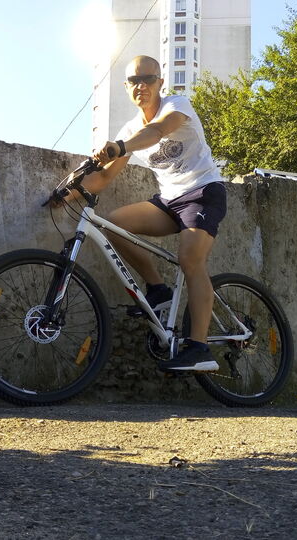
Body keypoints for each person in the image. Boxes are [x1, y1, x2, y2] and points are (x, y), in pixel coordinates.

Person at [63, 55, 226, 372]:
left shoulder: (176, 105)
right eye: (134, 81)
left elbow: (158, 131)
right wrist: (68, 192)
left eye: (148, 79)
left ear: (160, 82)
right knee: (114, 225)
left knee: (190, 260)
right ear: (126, 87)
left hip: (203, 193)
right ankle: (158, 289)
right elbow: (104, 177)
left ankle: (199, 349)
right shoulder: (129, 129)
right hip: (169, 201)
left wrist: (120, 147)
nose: (141, 86)